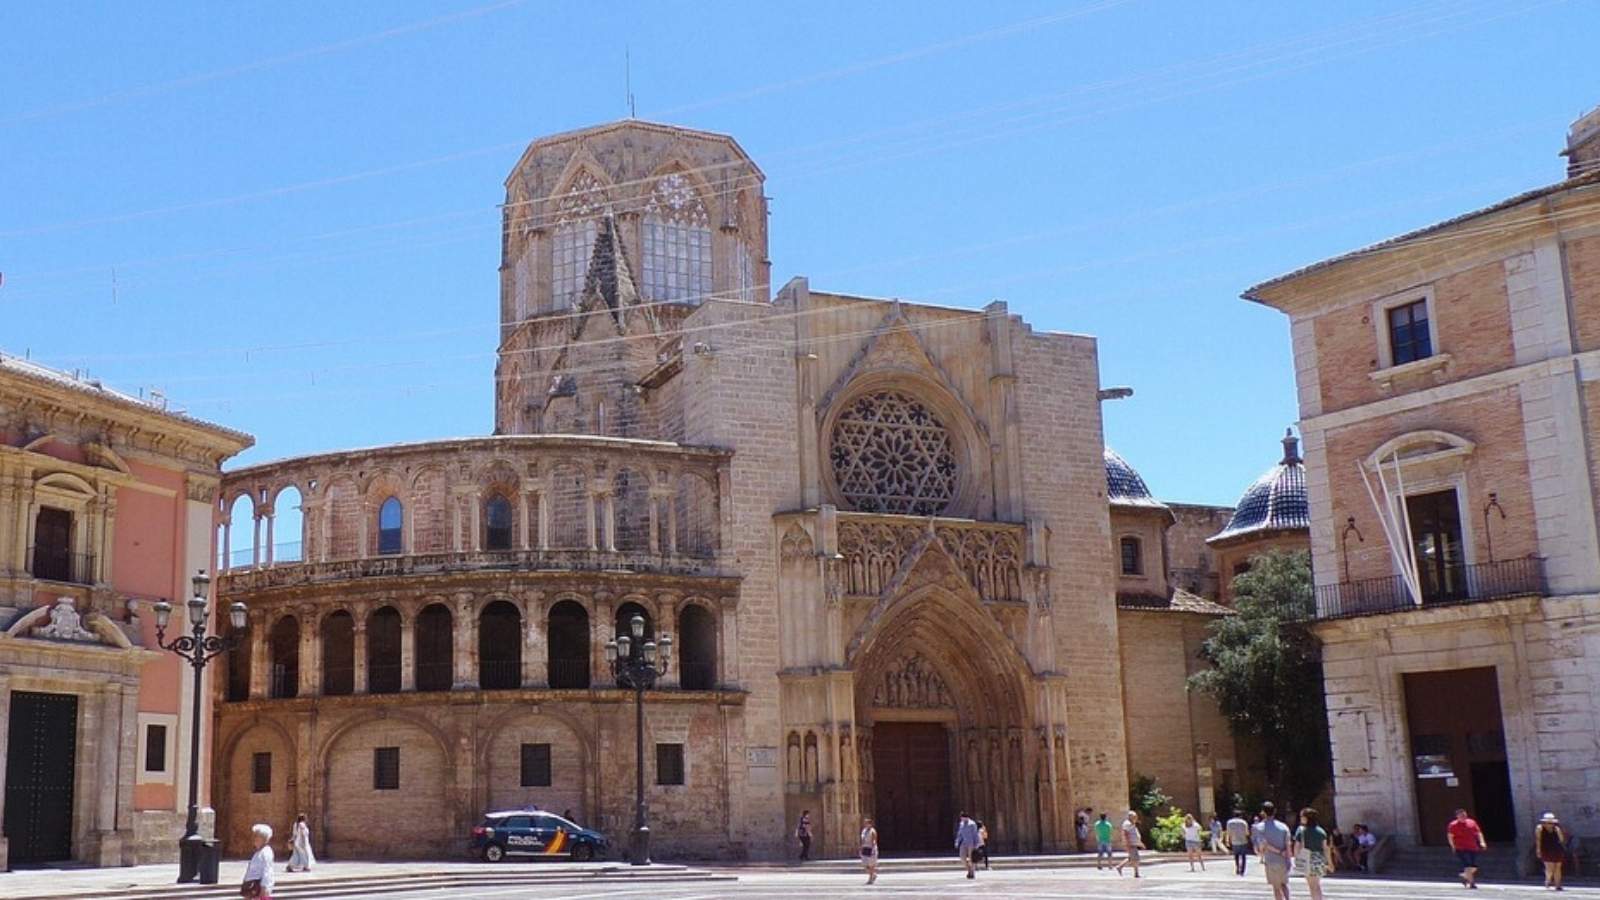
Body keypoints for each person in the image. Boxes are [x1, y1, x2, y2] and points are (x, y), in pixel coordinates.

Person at [1253, 801, 1292, 900]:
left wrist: (1261, 852)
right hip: (1283, 860)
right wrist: (1288, 857)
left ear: (1263, 813)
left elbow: (1263, 845)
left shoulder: (1260, 827)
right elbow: (1288, 843)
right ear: (1274, 811)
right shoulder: (1283, 826)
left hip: (1271, 860)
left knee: (1276, 887)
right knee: (1284, 884)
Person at [1293, 807, 1328, 900]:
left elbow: (1296, 847)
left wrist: (1297, 859)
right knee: (1317, 885)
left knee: (1312, 886)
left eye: (1302, 816)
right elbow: (1325, 848)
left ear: (1306, 818)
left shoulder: (1301, 831)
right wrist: (1329, 862)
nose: (1300, 818)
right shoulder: (1321, 831)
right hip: (1319, 859)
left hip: (1307, 858)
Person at [1447, 808, 1487, 889]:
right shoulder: (1453, 825)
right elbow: (1450, 836)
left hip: (1473, 847)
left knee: (1474, 866)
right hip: (1461, 847)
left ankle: (1465, 876)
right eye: (1461, 815)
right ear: (1457, 816)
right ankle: (1472, 883)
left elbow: (1478, 833)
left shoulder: (1472, 822)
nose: (1463, 817)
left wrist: (1482, 842)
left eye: (1464, 815)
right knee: (1467, 865)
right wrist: (1453, 846)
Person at [242, 823, 276, 900]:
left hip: (258, 888)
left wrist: (264, 888)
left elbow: (267, 871)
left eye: (256, 836)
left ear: (263, 838)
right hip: (252, 887)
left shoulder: (266, 852)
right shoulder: (259, 852)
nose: (254, 838)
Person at [1536, 812, 1566, 891]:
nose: (1550, 824)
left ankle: (1558, 885)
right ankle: (1548, 880)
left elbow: (1561, 839)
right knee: (1549, 868)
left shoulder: (1556, 829)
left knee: (1557, 867)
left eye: (1551, 823)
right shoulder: (1540, 828)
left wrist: (1559, 832)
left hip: (1557, 849)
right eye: (1548, 823)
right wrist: (1538, 850)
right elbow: (1538, 840)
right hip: (1546, 849)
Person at [1114, 810, 1143, 878]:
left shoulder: (1131, 823)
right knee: (1136, 858)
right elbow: (1125, 833)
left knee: (1132, 858)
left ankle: (1120, 867)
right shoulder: (1127, 824)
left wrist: (1139, 843)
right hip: (1131, 844)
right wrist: (1128, 843)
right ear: (1130, 817)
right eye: (1134, 817)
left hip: (1133, 843)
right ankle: (1136, 873)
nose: (1136, 818)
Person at [1226, 808, 1252, 876]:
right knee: (1243, 856)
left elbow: (1228, 833)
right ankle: (1242, 870)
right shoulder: (1244, 822)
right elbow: (1247, 833)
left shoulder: (1229, 822)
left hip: (1234, 841)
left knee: (1236, 856)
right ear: (1240, 815)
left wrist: (1228, 841)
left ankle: (1237, 867)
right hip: (1243, 841)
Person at [955, 811, 981, 879]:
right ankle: (969, 869)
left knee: (972, 858)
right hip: (964, 843)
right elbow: (959, 834)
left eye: (962, 818)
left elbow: (975, 834)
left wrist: (977, 844)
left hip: (971, 843)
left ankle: (972, 873)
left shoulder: (972, 824)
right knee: (962, 857)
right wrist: (957, 841)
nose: (961, 819)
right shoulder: (961, 824)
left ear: (965, 817)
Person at [860, 816, 879, 885]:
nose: (865, 824)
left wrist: (873, 849)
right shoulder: (864, 830)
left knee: (871, 865)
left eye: (866, 823)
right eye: (865, 823)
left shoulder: (873, 831)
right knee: (865, 864)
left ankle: (870, 879)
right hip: (865, 847)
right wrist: (861, 847)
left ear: (870, 824)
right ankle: (873, 875)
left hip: (871, 848)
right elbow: (862, 840)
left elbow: (874, 840)